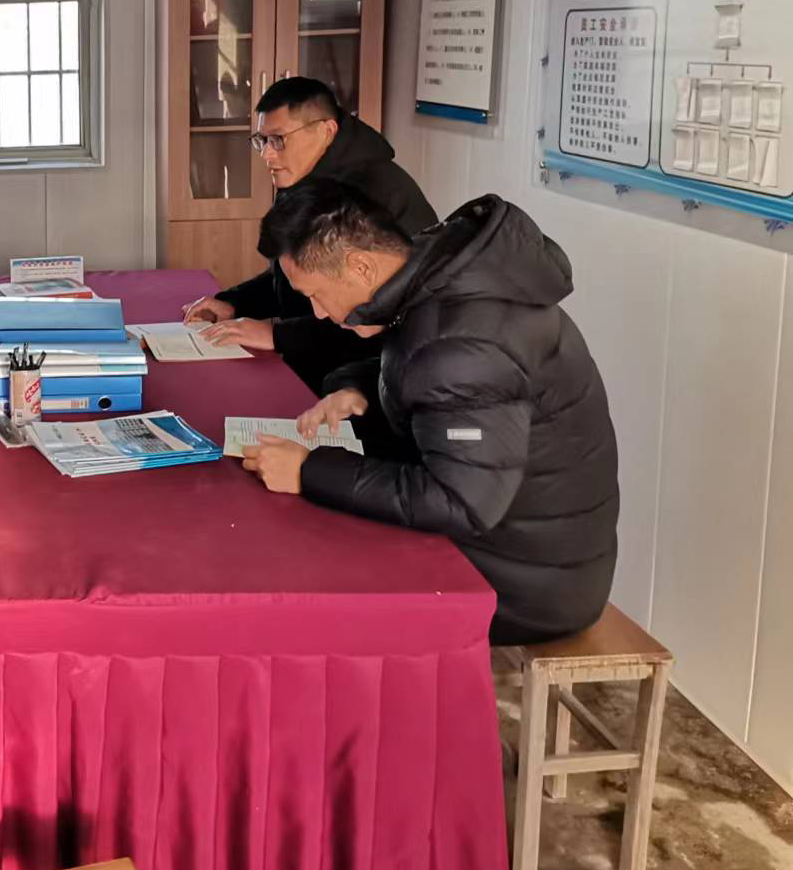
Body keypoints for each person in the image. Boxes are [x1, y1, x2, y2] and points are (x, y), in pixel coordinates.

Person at [239, 179, 620, 645]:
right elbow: (434, 381)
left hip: (524, 584)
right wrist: (358, 387)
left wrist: (309, 470)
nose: (317, 313)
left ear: (360, 266)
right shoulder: (442, 279)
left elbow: (459, 502)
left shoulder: (466, 343)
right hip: (526, 546)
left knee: (307, 583)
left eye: (316, 294)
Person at [182, 78, 437, 395]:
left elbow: (362, 318)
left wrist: (276, 334)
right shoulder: (303, 175)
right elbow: (293, 277)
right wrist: (234, 302)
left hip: (368, 376)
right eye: (262, 141)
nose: (267, 155)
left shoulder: (367, 199)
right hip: (314, 358)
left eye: (278, 140)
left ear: (326, 131)